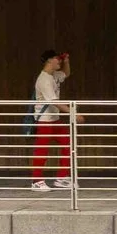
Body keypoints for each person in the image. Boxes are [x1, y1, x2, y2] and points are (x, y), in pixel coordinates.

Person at [28, 50, 75, 192]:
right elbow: (54, 101)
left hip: (54, 119)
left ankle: (61, 178)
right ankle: (36, 181)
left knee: (68, 144)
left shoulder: (54, 75)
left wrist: (66, 61)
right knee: (41, 151)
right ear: (49, 61)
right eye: (57, 59)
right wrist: (73, 113)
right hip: (44, 121)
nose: (59, 62)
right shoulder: (43, 79)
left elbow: (66, 74)